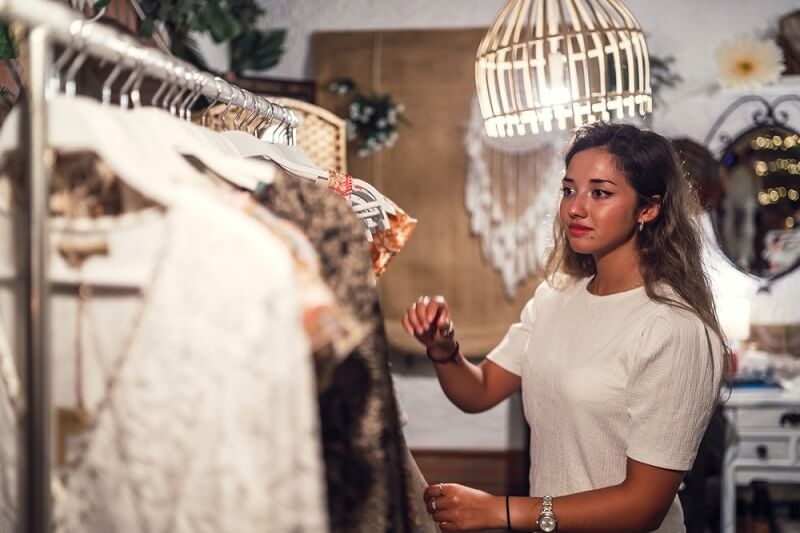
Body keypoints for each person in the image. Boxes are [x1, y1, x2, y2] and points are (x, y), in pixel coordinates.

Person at [402, 122, 731, 532]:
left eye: (600, 192)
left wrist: (501, 511)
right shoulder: (555, 296)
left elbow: (644, 505)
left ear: (649, 208)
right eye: (568, 189)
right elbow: (479, 390)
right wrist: (443, 349)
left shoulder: (673, 328)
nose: (575, 207)